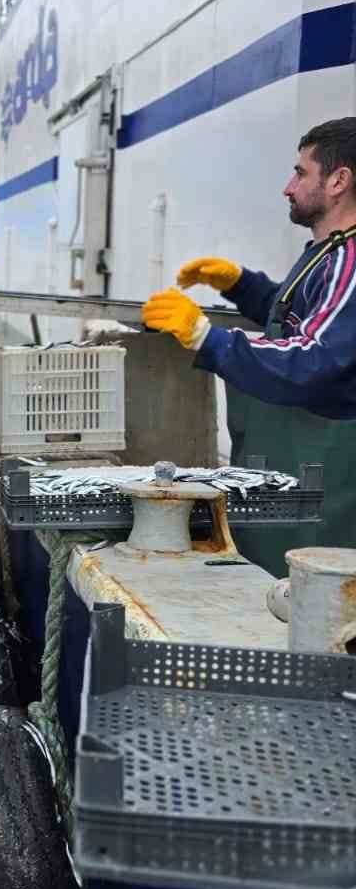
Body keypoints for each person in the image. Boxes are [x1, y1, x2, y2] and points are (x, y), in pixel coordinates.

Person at [142, 118, 356, 572]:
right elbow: (300, 319)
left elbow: (314, 360)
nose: (287, 186)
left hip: (325, 483)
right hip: (294, 476)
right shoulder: (329, 252)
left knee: (307, 601)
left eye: (301, 173)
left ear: (339, 181)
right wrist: (242, 286)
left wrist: (207, 338)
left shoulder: (351, 261)